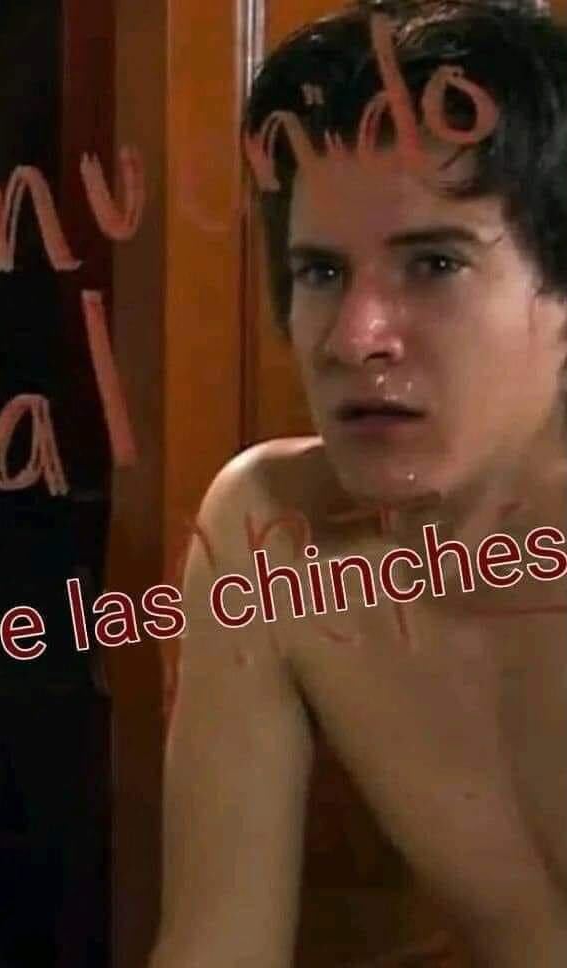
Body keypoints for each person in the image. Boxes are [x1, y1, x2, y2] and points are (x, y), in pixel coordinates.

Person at [150, 1, 567, 965]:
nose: (354, 338)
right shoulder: (267, 532)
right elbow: (214, 948)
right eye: (322, 273)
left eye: (434, 263)